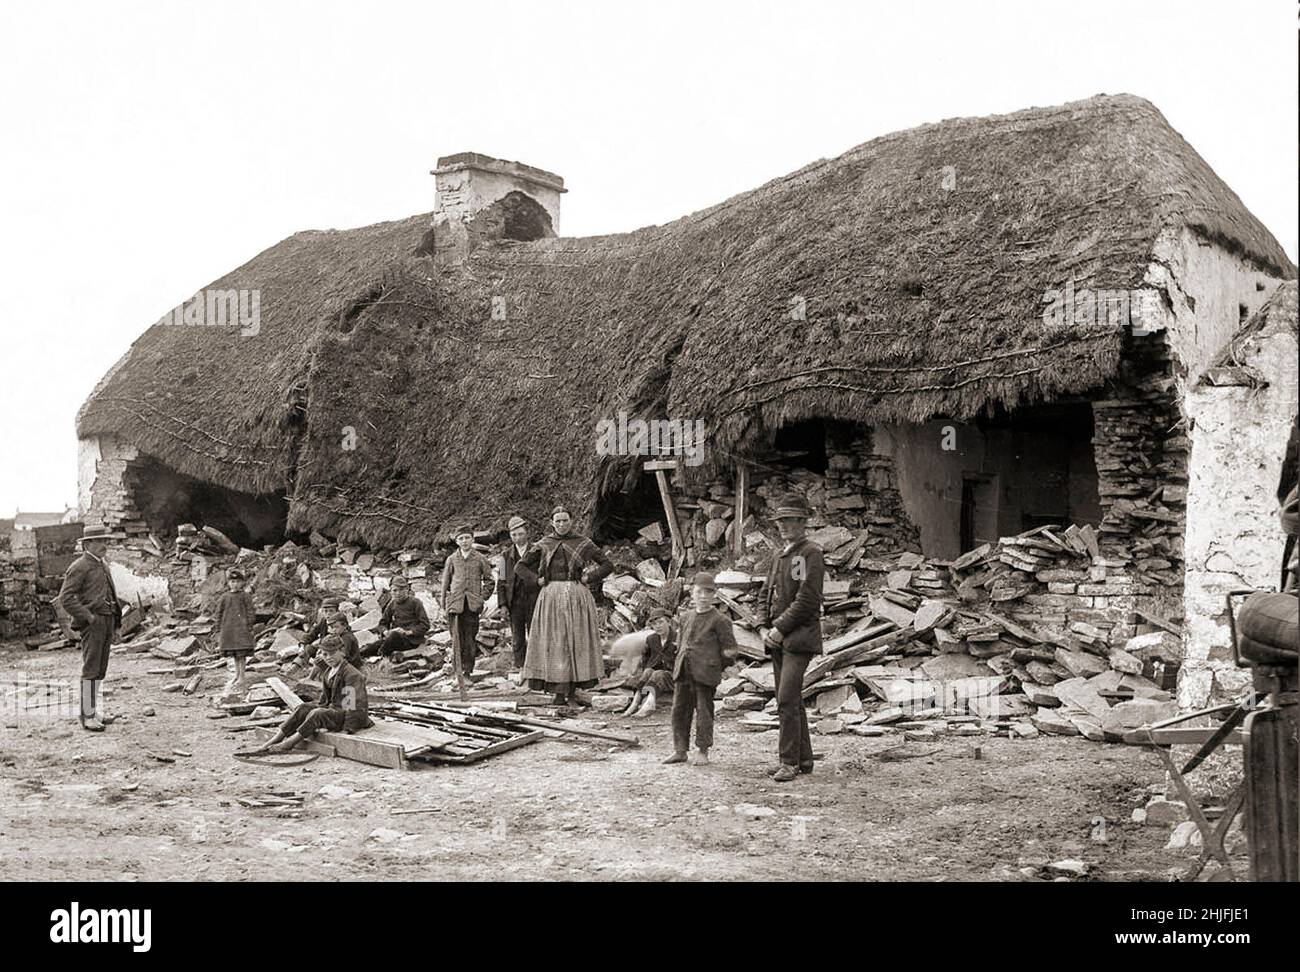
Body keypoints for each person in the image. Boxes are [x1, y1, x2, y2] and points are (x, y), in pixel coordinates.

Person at [517, 505, 614, 708]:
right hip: (551, 596)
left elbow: (607, 564)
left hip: (576, 596)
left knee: (575, 641)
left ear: (572, 521)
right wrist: (537, 580)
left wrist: (590, 577)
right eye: (558, 521)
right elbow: (520, 567)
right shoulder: (544, 544)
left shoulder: (583, 542)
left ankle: (572, 692)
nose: (561, 524)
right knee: (555, 643)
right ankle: (558, 692)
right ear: (552, 522)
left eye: (565, 520)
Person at [759, 495, 825, 782]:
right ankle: (804, 759)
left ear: (803, 523)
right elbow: (766, 592)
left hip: (798, 638)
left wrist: (779, 628)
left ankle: (788, 762)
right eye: (781, 521)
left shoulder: (808, 553)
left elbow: (806, 599)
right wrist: (762, 625)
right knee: (792, 700)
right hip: (777, 638)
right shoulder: (781, 555)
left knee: (786, 699)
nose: (784, 526)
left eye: (791, 521)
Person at [664, 573, 737, 766]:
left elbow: (730, 650)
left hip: (705, 673)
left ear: (714, 595)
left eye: (708, 592)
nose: (703, 596)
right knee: (678, 710)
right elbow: (679, 643)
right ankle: (680, 750)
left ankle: (703, 751)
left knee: (704, 712)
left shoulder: (720, 620)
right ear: (691, 593)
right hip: (683, 671)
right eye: (699, 592)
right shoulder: (685, 617)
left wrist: (713, 664)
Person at [57, 525, 122, 732]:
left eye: (106, 541)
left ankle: (93, 711)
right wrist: (87, 616)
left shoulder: (102, 564)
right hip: (93, 624)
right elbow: (65, 598)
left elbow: (111, 593)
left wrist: (117, 623)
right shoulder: (80, 566)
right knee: (91, 669)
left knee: (100, 670)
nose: (105, 545)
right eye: (99, 541)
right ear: (87, 544)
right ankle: (87, 716)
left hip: (107, 621)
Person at [258, 637, 372, 753]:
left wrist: (348, 729)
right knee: (303, 708)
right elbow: (324, 700)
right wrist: (313, 708)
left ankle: (289, 743)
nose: (328, 658)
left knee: (317, 713)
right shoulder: (329, 671)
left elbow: (353, 706)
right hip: (333, 710)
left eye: (332, 653)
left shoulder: (351, 674)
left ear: (342, 651)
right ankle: (276, 739)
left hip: (345, 716)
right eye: (324, 654)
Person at [441, 526, 495, 676]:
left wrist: (481, 598)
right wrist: (443, 604)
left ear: (472, 539)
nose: (464, 541)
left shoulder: (480, 559)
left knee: (470, 638)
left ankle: (468, 671)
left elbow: (490, 581)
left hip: (472, 605)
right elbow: (445, 583)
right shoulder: (451, 559)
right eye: (461, 538)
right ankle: (457, 670)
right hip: (455, 604)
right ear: (457, 541)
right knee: (456, 638)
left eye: (467, 538)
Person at [615, 607, 678, 717]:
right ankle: (635, 704)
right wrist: (645, 670)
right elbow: (646, 658)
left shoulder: (677, 638)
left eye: (660, 622)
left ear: (669, 622)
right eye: (654, 624)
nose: (658, 626)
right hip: (656, 674)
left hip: (675, 675)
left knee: (657, 674)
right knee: (649, 671)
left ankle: (649, 705)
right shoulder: (651, 639)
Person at [497, 515, 540, 668]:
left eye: (520, 534)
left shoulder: (537, 551)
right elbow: (501, 581)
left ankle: (536, 665)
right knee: (517, 635)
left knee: (536, 632)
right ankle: (519, 665)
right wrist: (502, 604)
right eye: (514, 535)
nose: (517, 538)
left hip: (534, 598)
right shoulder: (505, 556)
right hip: (514, 600)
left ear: (527, 533)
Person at [214, 567, 257, 697]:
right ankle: (236, 675)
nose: (235, 584)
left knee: (241, 654)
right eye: (232, 582)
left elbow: (250, 611)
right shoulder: (224, 597)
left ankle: (242, 676)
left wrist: (249, 624)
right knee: (234, 654)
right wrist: (218, 627)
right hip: (228, 629)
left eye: (238, 582)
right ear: (228, 583)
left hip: (241, 629)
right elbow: (219, 613)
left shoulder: (245, 596)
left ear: (242, 583)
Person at [376, 575, 430, 661]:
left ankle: (381, 657)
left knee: (394, 636)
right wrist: (385, 632)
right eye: (394, 590)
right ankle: (358, 658)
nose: (398, 593)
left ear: (407, 589)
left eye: (401, 590)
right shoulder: (392, 604)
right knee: (372, 646)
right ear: (391, 592)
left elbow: (425, 625)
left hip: (411, 642)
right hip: (394, 640)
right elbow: (382, 624)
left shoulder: (415, 602)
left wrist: (407, 632)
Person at [300, 612, 362, 677]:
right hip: (344, 660)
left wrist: (324, 656)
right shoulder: (339, 635)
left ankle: (313, 677)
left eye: (336, 627)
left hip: (351, 663)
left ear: (345, 626)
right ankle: (317, 674)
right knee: (318, 654)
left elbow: (344, 654)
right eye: (332, 628)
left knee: (321, 660)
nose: (334, 630)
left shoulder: (347, 637)